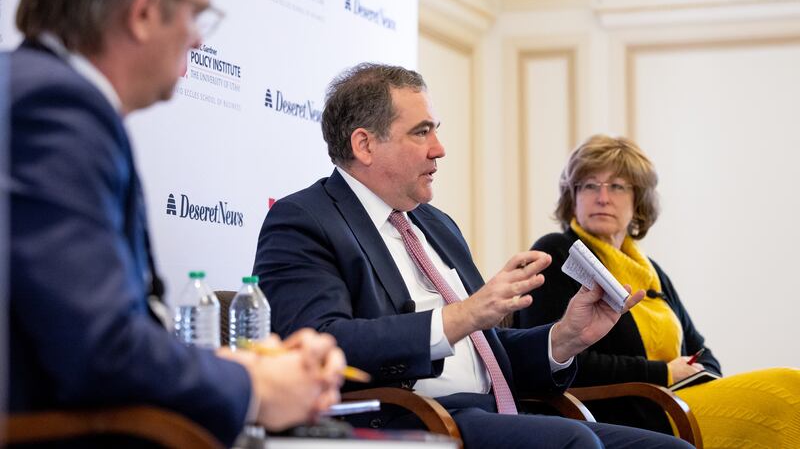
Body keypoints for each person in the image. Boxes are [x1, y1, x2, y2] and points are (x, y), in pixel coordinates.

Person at [7, 0, 344, 445]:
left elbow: (83, 329)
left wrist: (248, 361)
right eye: (196, 13)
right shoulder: (54, 109)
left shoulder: (42, 96)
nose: (195, 37)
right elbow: (101, 354)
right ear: (144, 11)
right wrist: (253, 384)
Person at [254, 62, 693, 448]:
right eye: (421, 132)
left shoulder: (435, 223)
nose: (439, 148)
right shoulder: (305, 222)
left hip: (494, 412)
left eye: (436, 130)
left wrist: (565, 338)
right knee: (572, 441)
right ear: (365, 145)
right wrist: (464, 315)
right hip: (411, 418)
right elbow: (321, 347)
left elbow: (486, 349)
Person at [514, 134, 800, 446]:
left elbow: (703, 354)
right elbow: (552, 354)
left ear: (638, 201)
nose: (603, 197)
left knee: (788, 389)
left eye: (618, 186)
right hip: (624, 413)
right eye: (589, 185)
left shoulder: (651, 271)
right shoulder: (558, 252)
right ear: (573, 196)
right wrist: (662, 373)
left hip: (678, 403)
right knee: (787, 393)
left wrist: (693, 372)